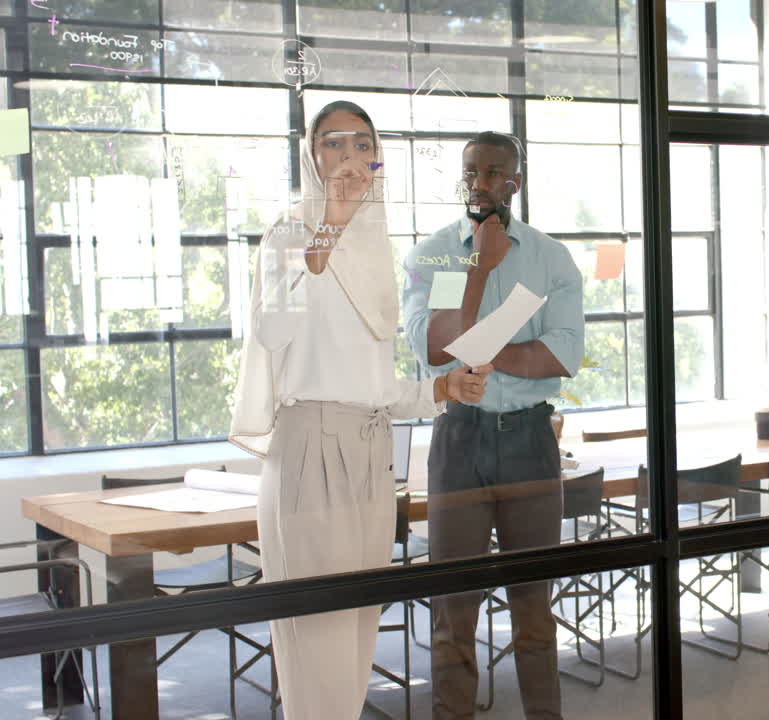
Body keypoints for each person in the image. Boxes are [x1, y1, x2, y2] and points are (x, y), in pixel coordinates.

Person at [229, 100, 491, 719]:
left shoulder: (377, 245)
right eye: (334, 143)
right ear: (311, 156)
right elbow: (271, 329)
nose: (350, 157)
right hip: (309, 450)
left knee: (353, 648)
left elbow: (371, 384)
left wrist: (440, 390)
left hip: (372, 457)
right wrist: (330, 224)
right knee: (314, 653)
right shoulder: (290, 231)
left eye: (362, 144)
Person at [403, 131, 584, 720]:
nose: (480, 184)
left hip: (531, 441)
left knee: (535, 605)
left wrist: (481, 347)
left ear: (515, 182)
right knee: (453, 610)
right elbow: (434, 348)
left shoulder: (551, 258)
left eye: (493, 173)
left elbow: (560, 355)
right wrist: (479, 264)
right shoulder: (435, 255)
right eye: (471, 173)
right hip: (460, 440)